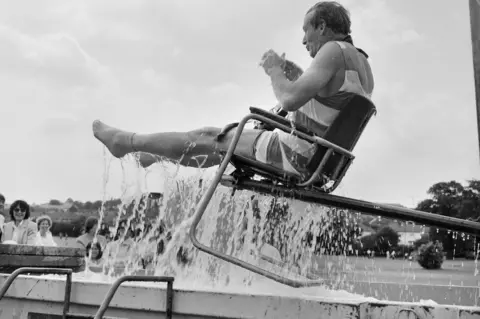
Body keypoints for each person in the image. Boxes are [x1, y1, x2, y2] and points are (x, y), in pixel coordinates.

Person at [92, 1, 374, 177]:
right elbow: (322, 101)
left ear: (322, 27)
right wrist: (289, 69)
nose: (303, 40)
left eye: (306, 30)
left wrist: (274, 71)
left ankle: (126, 142)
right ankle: (152, 154)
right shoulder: (360, 63)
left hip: (294, 155)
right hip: (314, 159)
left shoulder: (333, 51)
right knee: (217, 149)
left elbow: (289, 99)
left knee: (207, 135)